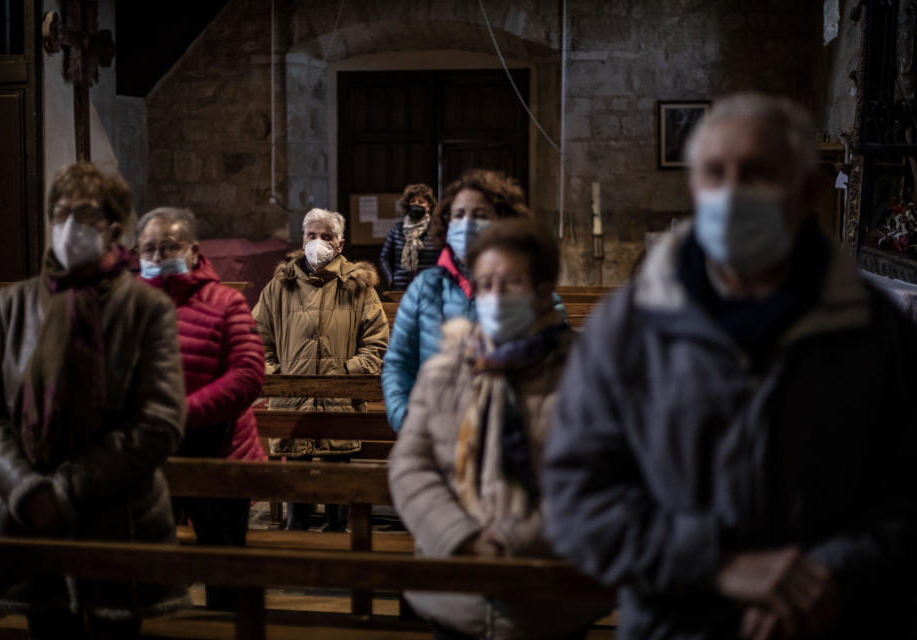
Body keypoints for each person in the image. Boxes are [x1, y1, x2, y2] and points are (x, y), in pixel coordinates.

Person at [543, 93, 917, 640]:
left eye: (760, 174)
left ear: (808, 191)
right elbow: (575, 500)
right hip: (679, 623)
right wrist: (716, 563)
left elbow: (907, 492)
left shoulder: (874, 328)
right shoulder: (628, 328)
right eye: (716, 173)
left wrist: (831, 572)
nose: (734, 193)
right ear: (695, 188)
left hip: (840, 620)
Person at [0, 162, 189, 638]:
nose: (68, 227)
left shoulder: (145, 309)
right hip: (28, 525)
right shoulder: (14, 304)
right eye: (60, 213)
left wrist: (66, 490)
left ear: (113, 229)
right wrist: (26, 489)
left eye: (83, 215)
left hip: (119, 522)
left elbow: (160, 420)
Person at [389, 220, 607, 639]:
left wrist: (511, 544)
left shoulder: (586, 374)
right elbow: (409, 467)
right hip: (456, 594)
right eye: (485, 284)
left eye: (510, 283)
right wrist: (461, 537)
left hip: (550, 598)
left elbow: (596, 476)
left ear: (542, 294)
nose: (494, 297)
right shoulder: (444, 374)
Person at [136, 207, 266, 609]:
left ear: (192, 251)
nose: (158, 258)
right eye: (149, 249)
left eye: (168, 247)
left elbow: (247, 375)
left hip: (219, 451)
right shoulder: (130, 303)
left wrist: (180, 412)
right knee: (149, 567)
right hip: (150, 453)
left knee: (223, 566)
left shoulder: (225, 302)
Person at [253, 208, 389, 531]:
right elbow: (257, 339)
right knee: (296, 481)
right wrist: (278, 378)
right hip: (291, 401)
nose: (318, 242)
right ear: (302, 241)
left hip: (340, 400)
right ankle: (297, 535)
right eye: (311, 235)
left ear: (340, 244)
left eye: (326, 236)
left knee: (337, 479)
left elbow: (376, 343)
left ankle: (337, 536)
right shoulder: (279, 286)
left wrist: (345, 374)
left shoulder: (358, 287)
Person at [382, 170, 533, 432]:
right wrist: (408, 422)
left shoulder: (532, 290)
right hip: (434, 436)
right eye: (459, 215)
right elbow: (397, 364)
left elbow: (551, 375)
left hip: (508, 443)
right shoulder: (423, 289)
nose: (467, 225)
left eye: (481, 215)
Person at [379, 183, 441, 290]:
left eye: (421, 202)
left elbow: (445, 258)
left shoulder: (437, 230)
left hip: (430, 288)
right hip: (401, 288)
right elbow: (384, 258)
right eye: (413, 201)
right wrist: (391, 279)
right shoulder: (397, 229)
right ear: (407, 205)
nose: (416, 204)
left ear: (428, 206)